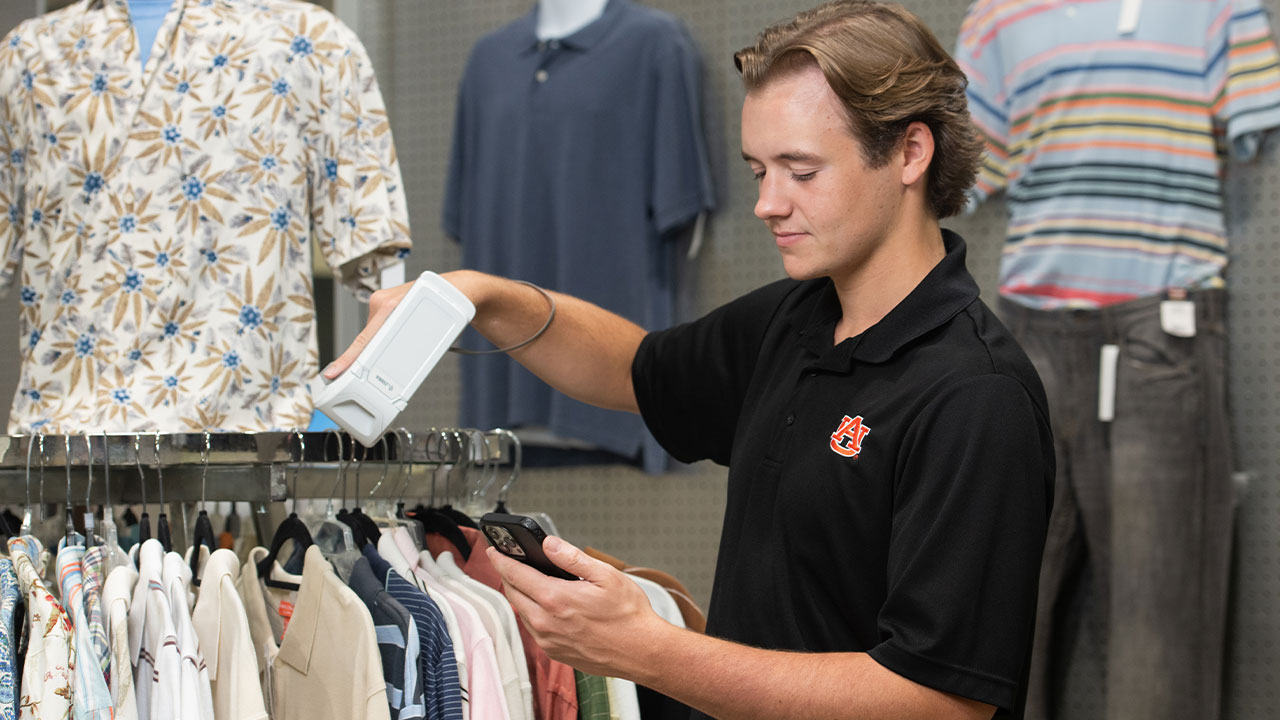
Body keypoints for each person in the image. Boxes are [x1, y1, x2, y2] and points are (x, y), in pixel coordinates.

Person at [328, 2, 1054, 718]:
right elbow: (634, 368)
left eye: (801, 171)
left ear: (910, 153)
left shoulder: (974, 395)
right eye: (758, 169)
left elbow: (939, 701)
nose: (769, 202)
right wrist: (485, 297)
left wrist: (646, 649)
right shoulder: (795, 319)